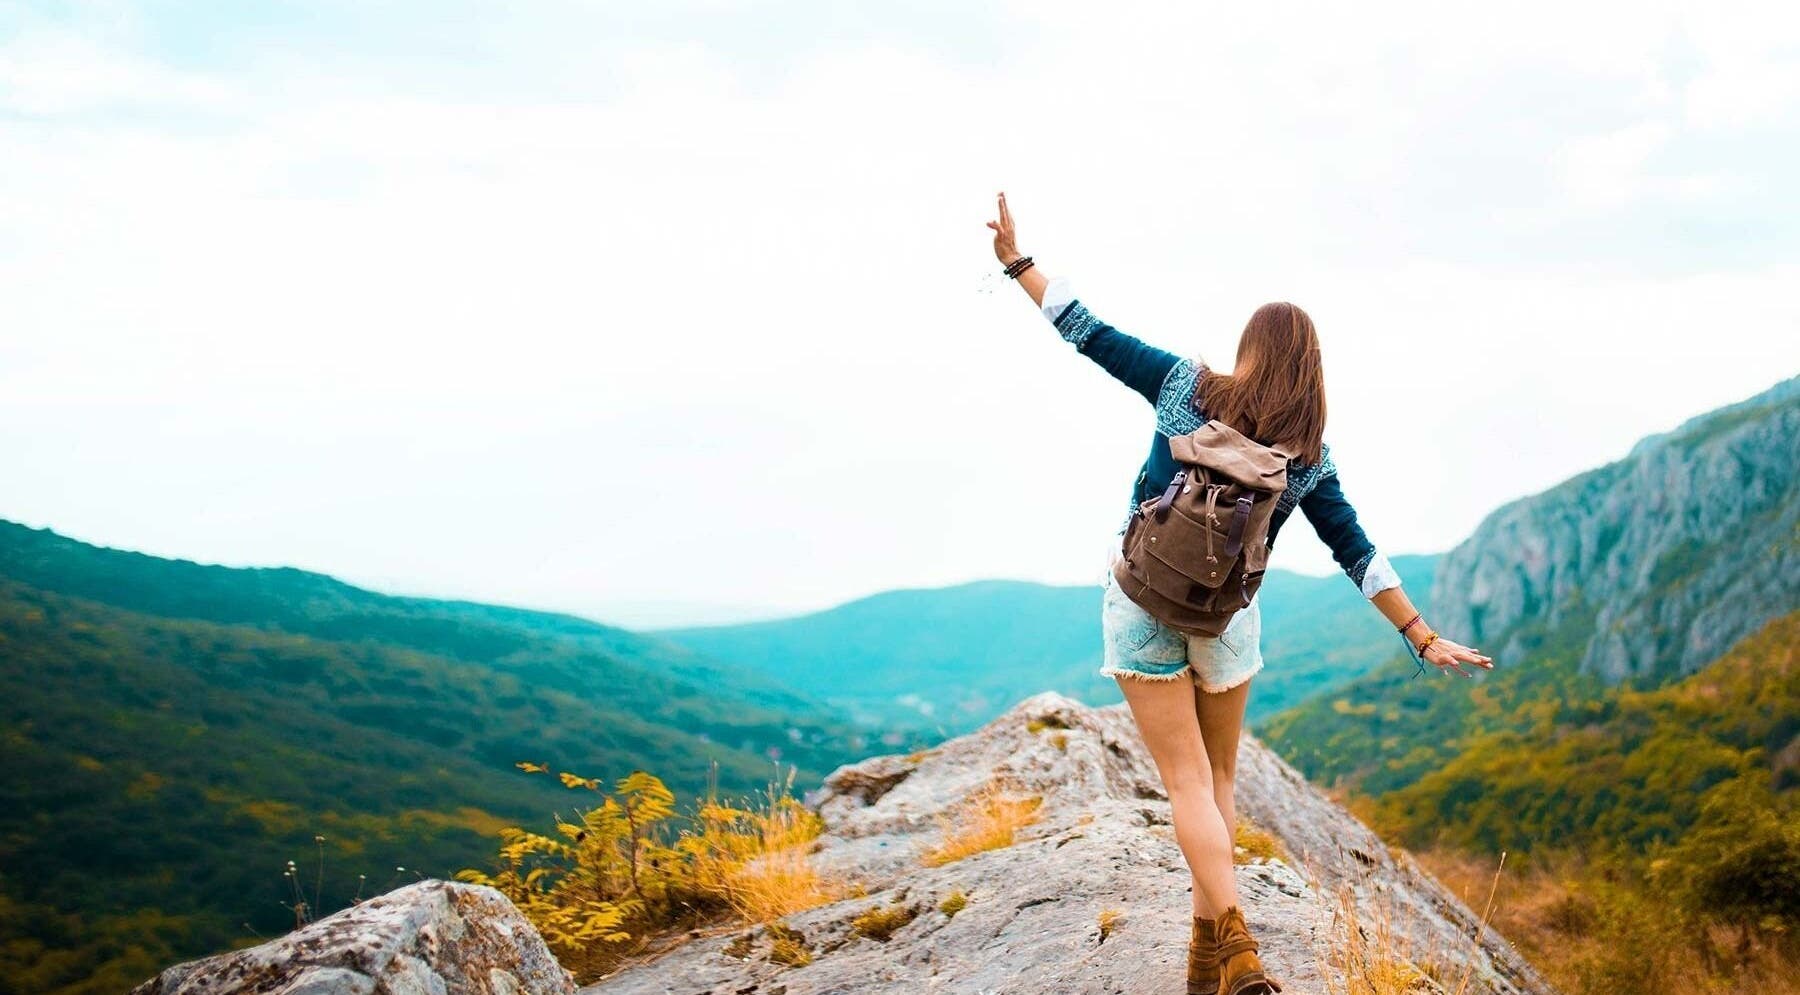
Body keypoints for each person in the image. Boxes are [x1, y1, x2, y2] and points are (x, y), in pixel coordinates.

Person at [985, 192, 1492, 995]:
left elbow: (1087, 329)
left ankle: (1234, 950)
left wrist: (1018, 263)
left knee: (1185, 787)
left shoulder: (1187, 387)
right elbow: (1358, 553)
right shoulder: (1308, 456)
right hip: (1226, 621)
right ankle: (1212, 961)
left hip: (1143, 600)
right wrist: (1422, 635)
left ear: (1249, 349)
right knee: (1216, 785)